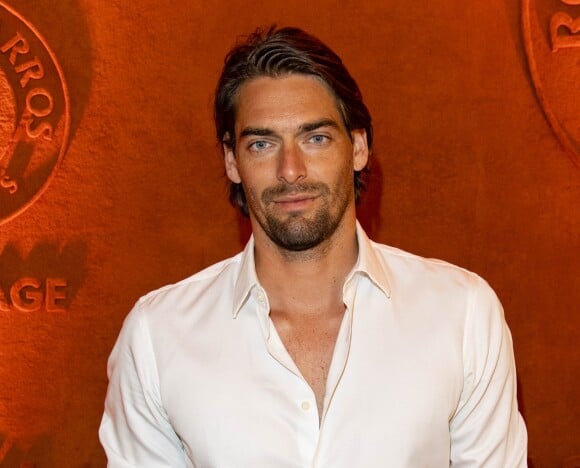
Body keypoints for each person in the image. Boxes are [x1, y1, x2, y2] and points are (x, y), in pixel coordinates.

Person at [99, 26, 528, 467]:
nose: (290, 170)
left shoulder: (462, 314)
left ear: (358, 147)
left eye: (315, 138)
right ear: (232, 161)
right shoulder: (158, 336)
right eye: (263, 143)